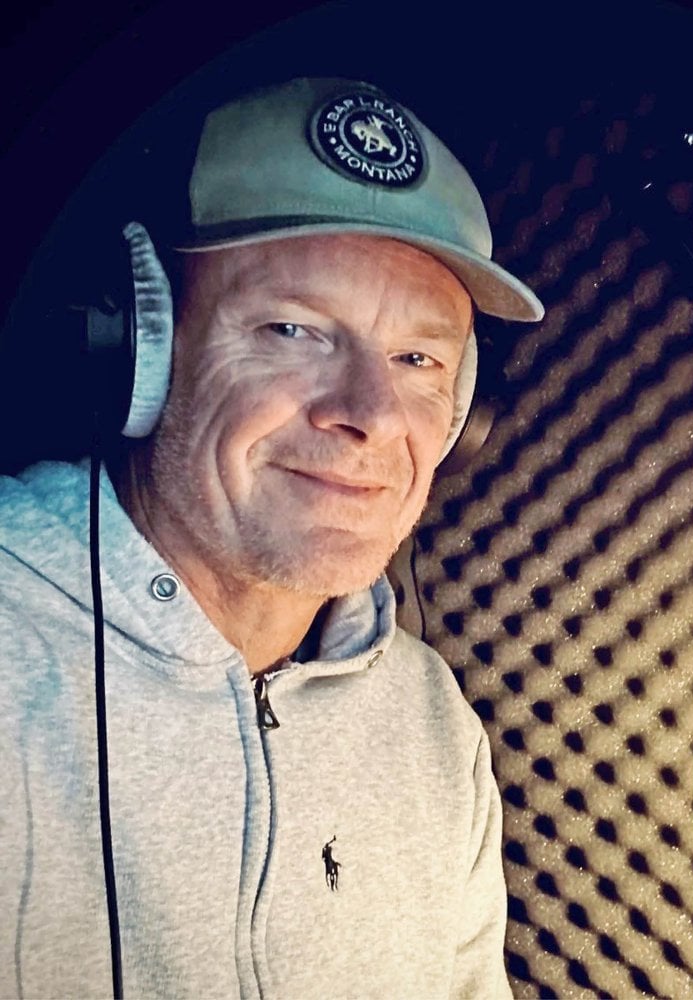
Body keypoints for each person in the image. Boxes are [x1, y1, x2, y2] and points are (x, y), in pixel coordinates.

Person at [0, 77, 543, 998]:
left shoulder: (430, 723)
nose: (370, 416)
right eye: (293, 329)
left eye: (417, 359)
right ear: (143, 346)